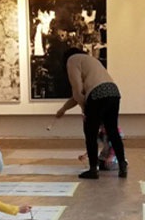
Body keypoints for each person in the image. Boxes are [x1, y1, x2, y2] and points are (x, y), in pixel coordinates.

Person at [54, 48, 127, 179]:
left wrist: (85, 110)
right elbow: (79, 95)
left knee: (90, 133)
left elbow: (77, 92)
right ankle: (122, 165)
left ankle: (93, 169)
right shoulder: (90, 60)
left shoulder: (72, 60)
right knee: (112, 131)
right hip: (113, 91)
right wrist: (63, 109)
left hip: (97, 94)